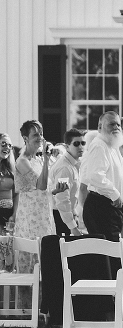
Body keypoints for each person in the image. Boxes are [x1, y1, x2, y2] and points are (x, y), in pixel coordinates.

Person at [14, 120, 65, 308]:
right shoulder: (22, 161)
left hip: (43, 215)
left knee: (47, 260)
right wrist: (45, 159)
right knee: (31, 261)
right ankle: (28, 310)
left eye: (41, 133)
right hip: (30, 218)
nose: (40, 138)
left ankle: (47, 308)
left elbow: (45, 189)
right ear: (26, 138)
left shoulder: (37, 158)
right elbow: (40, 184)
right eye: (35, 135)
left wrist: (57, 189)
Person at [80, 111, 123, 243]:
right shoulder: (99, 145)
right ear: (100, 127)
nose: (116, 127)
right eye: (111, 124)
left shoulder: (112, 146)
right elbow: (94, 175)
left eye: (118, 124)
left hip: (112, 208)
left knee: (111, 254)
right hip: (102, 207)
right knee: (108, 255)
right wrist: (115, 194)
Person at [49, 128, 86, 236]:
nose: (80, 147)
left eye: (83, 143)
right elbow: (62, 199)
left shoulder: (74, 164)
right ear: (67, 146)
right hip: (60, 217)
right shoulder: (65, 168)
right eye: (76, 144)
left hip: (66, 215)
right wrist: (72, 227)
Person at [0, 133, 16, 231]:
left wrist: (14, 215)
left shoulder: (11, 169)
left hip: (8, 215)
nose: (7, 147)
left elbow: (16, 194)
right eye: (3, 144)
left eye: (10, 145)